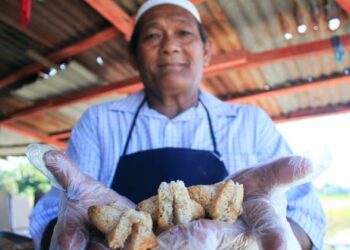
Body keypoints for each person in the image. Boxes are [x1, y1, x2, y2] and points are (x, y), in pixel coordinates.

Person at [29, 0, 326, 249]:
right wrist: (74, 233)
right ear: (133, 56)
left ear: (206, 51)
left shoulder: (249, 123)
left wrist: (258, 243)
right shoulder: (98, 121)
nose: (170, 47)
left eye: (184, 33)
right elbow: (49, 214)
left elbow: (309, 216)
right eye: (153, 36)